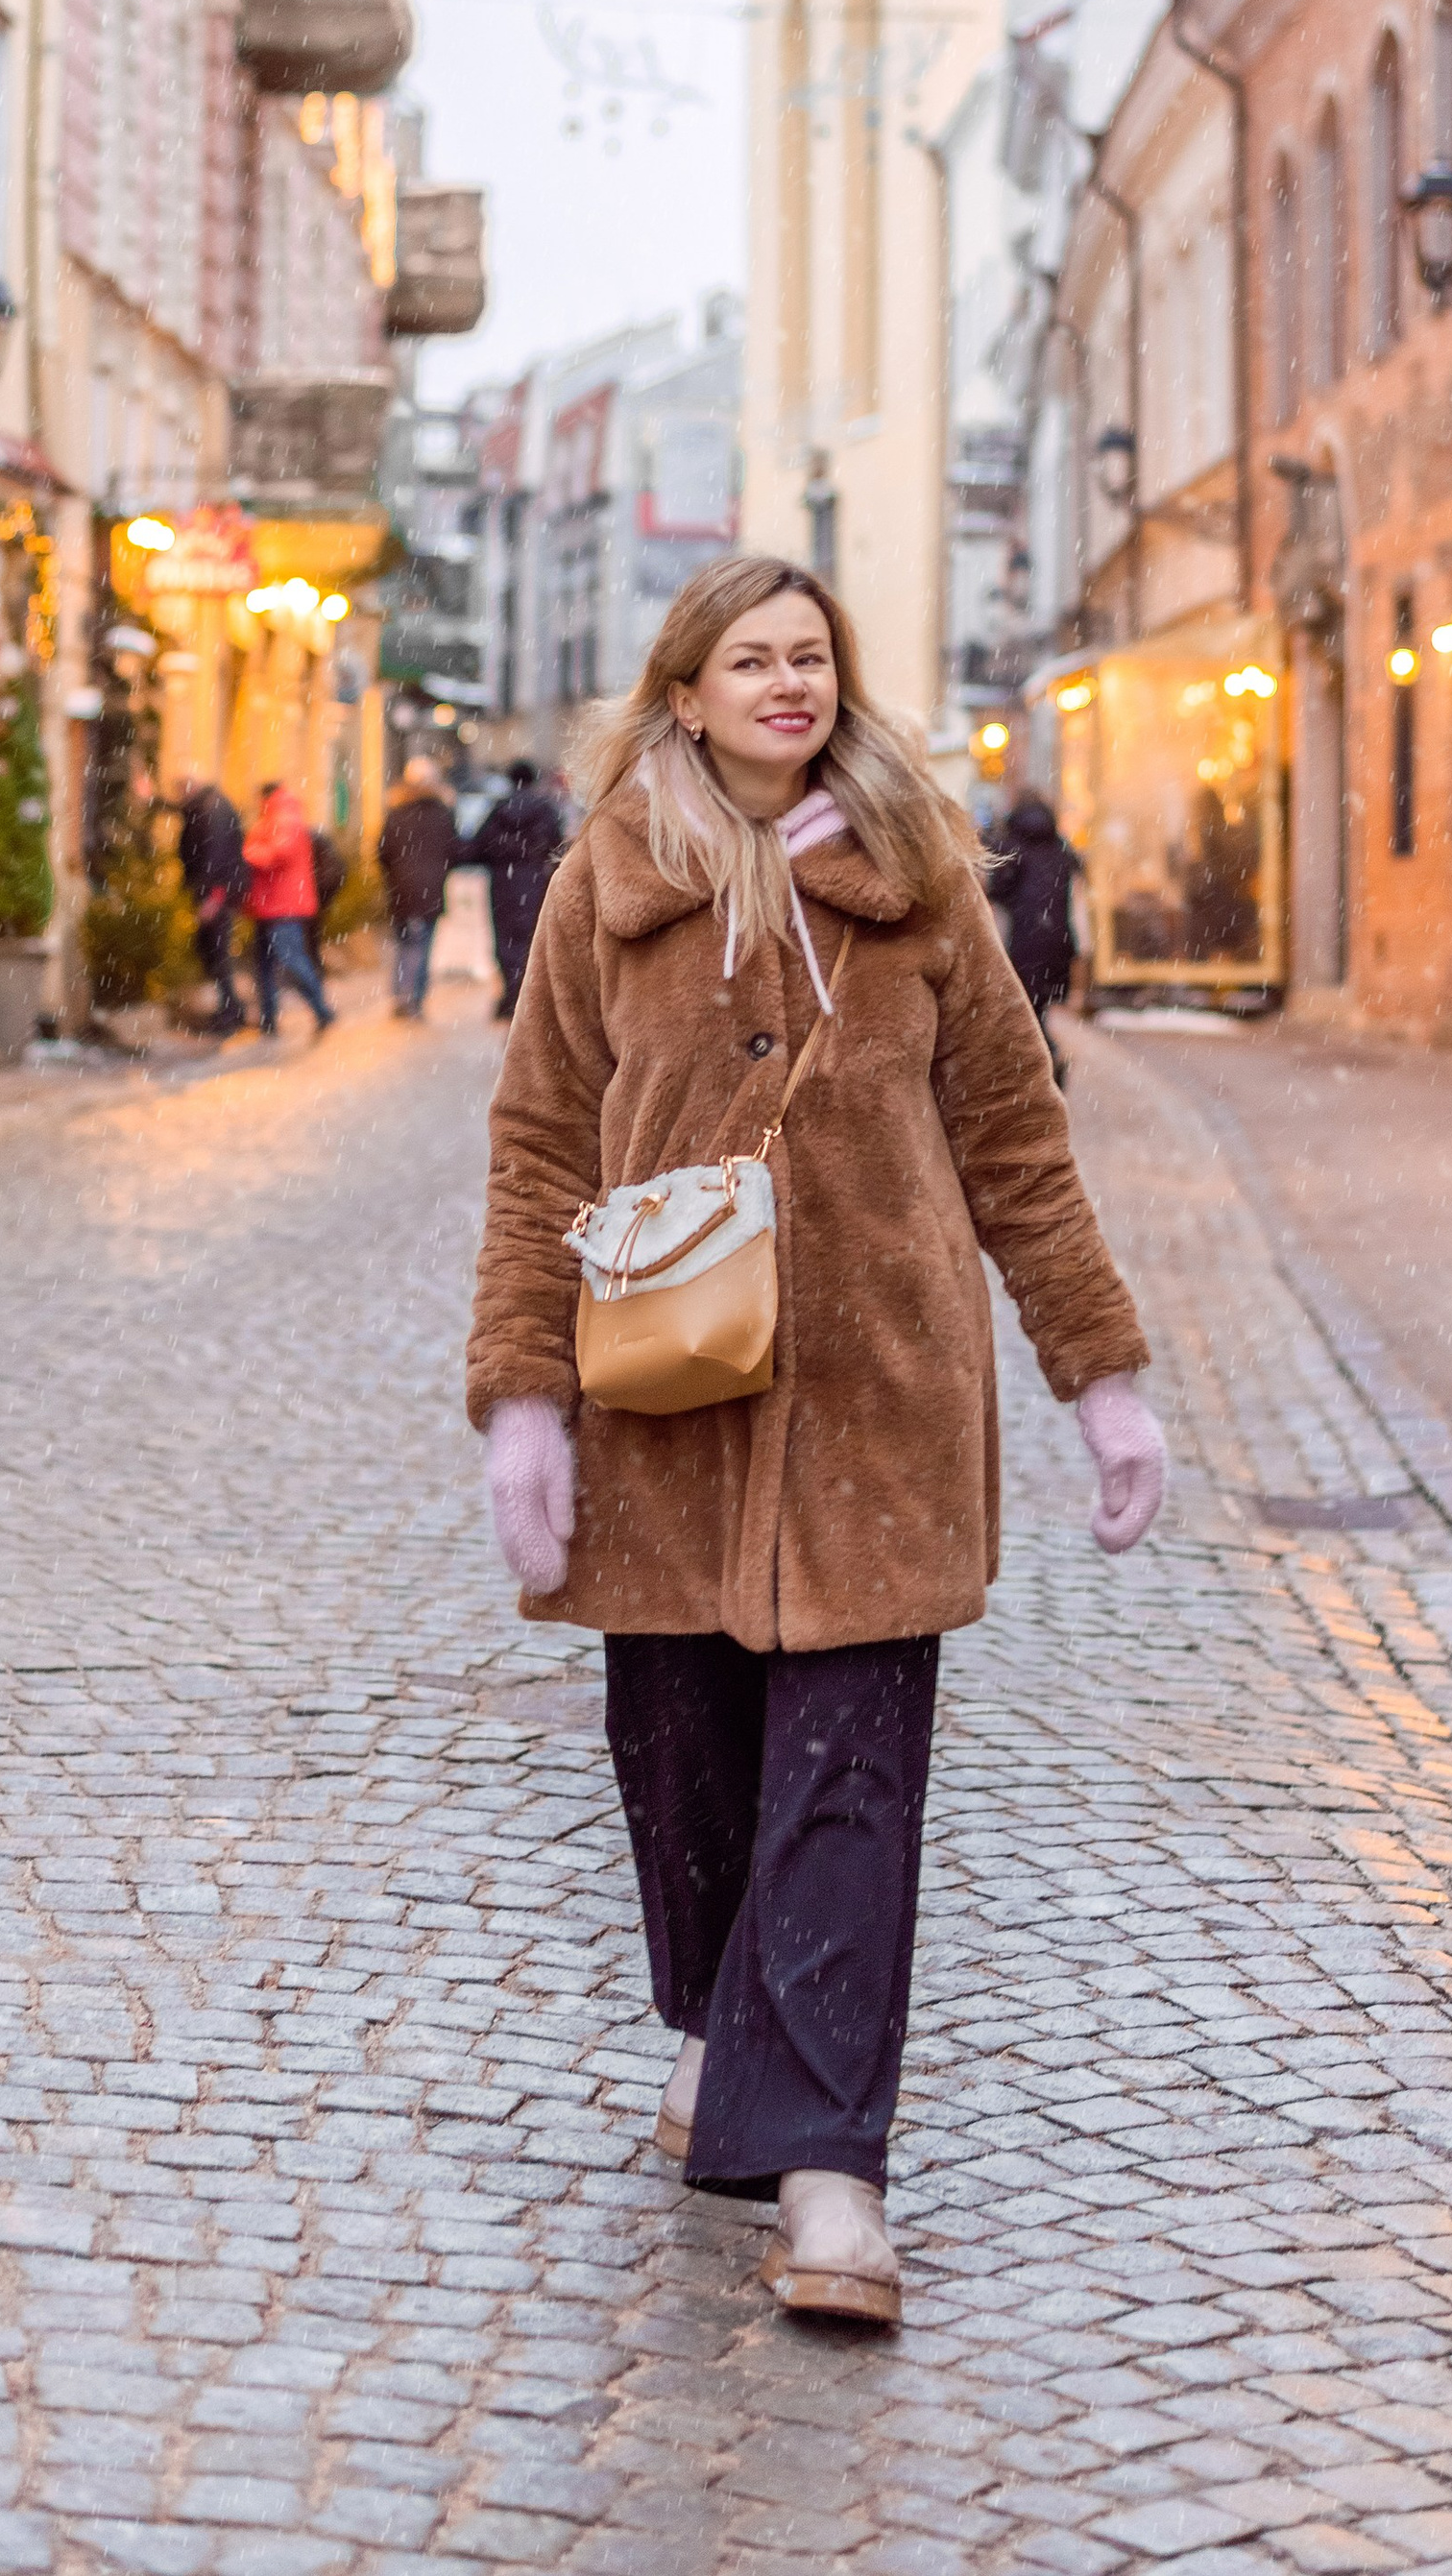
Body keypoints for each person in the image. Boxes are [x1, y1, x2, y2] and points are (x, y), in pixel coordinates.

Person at [464, 553, 1165, 2332]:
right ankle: (716, 2026)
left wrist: (1104, 1374)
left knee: (850, 1785)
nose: (789, 683)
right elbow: (541, 1147)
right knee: (685, 1767)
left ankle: (834, 2178)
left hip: (882, 1398)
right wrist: (523, 1402)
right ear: (685, 691)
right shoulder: (604, 892)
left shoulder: (924, 889)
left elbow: (1016, 1138)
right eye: (751, 660)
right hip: (666, 1410)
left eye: (813, 657)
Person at [987, 788, 1084, 1087]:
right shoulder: (1061, 847)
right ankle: (1046, 1067)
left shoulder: (1012, 845)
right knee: (1037, 1009)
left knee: (1027, 1011)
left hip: (1025, 940)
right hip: (1058, 941)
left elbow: (998, 889)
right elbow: (1078, 880)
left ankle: (1044, 1070)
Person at [469, 758, 568, 1020]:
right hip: (535, 881)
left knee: (505, 941)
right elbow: (557, 847)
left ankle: (511, 996)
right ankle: (527, 998)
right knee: (532, 940)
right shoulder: (546, 810)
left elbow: (478, 847)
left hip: (502, 883)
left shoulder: (498, 810)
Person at [242, 777, 334, 1037]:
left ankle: (321, 1009)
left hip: (285, 907)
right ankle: (268, 1018)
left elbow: (276, 855)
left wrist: (248, 853)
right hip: (269, 906)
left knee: (291, 960)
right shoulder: (273, 820)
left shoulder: (286, 818)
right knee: (265, 965)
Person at [378, 756, 461, 1019]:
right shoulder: (442, 813)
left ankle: (402, 993)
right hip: (431, 889)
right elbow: (455, 850)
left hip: (401, 887)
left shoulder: (396, 812)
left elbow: (382, 851)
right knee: (421, 944)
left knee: (405, 942)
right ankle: (413, 997)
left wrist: (395, 873)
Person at [174, 775, 249, 1036]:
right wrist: (153, 800)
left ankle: (231, 1011)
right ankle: (232, 1009)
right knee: (212, 951)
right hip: (215, 892)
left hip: (216, 894)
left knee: (217, 953)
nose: (178, 797)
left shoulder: (212, 811)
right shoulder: (206, 805)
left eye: (179, 790)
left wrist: (214, 897)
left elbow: (218, 856)